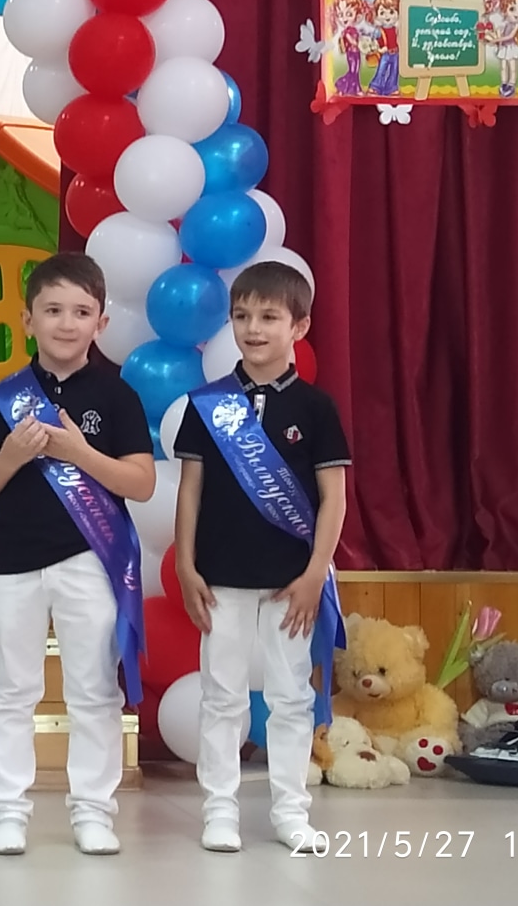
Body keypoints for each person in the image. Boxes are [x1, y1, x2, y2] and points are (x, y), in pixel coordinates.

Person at [0, 253, 155, 857]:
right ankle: (7, 811)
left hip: (89, 560)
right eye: (52, 310)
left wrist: (80, 454)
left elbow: (141, 483)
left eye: (80, 312)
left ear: (101, 323)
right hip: (12, 561)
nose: (66, 324)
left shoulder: (117, 397)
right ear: (27, 320)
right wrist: (13, 455)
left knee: (94, 690)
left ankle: (93, 811)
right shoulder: (4, 398)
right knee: (10, 690)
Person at [173, 260, 348, 855]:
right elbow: (190, 489)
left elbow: (333, 498)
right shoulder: (208, 406)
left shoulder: (317, 409)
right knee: (221, 695)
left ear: (299, 326)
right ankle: (218, 811)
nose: (253, 328)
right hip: (219, 576)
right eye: (242, 315)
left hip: (290, 583)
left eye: (269, 317)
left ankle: (291, 813)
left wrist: (315, 573)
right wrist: (185, 565)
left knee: (291, 697)